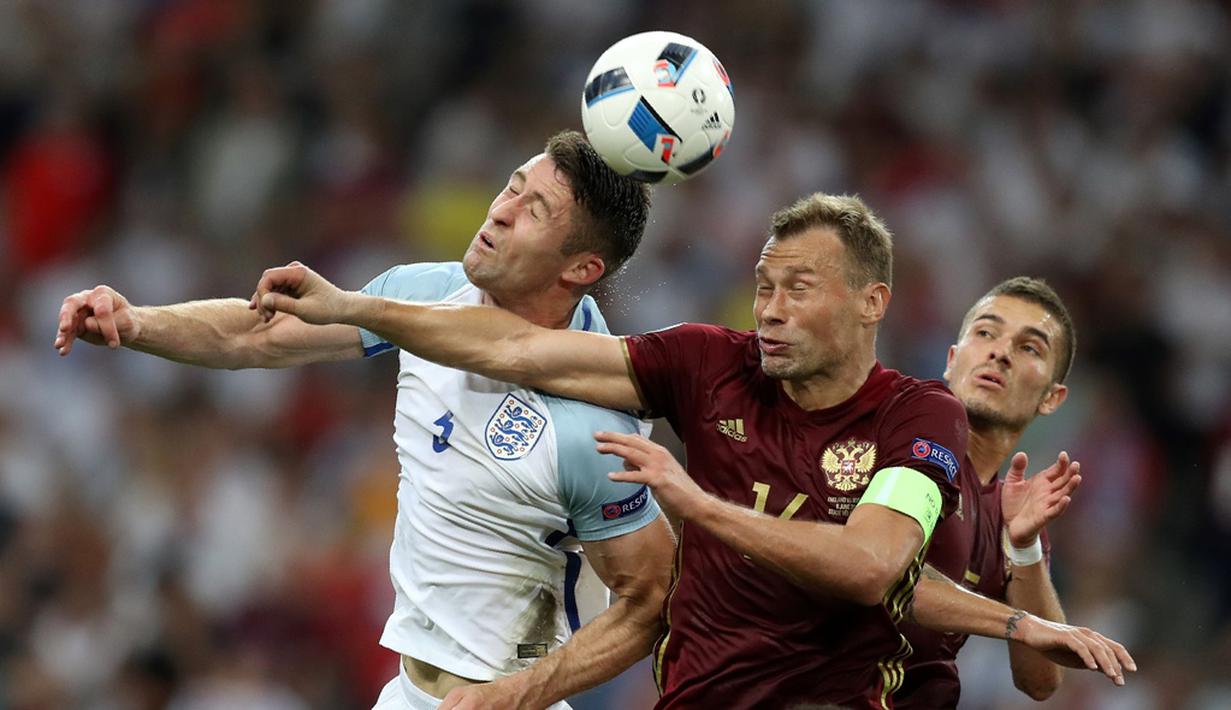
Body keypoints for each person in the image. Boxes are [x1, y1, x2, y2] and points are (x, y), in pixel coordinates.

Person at [242, 193, 1136, 709]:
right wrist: (356, 309)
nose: (770, 308)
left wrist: (701, 506)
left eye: (797, 288)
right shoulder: (711, 364)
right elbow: (517, 349)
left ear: (872, 303)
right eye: (763, 286)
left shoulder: (916, 423)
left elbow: (875, 571)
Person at [53, 130, 677, 710]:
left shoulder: (590, 428)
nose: (501, 211)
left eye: (535, 210)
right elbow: (259, 333)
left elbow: (651, 600)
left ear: (581, 269)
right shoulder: (424, 295)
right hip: (406, 693)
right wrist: (136, 322)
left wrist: (518, 694)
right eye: (512, 186)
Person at [896, 277, 1082, 708]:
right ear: (951, 360)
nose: (1000, 352)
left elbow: (1041, 680)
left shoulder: (1011, 511)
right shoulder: (899, 437)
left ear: (1052, 398)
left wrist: (1023, 546)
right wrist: (1017, 622)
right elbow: (886, 576)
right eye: (985, 333)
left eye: (1029, 347)